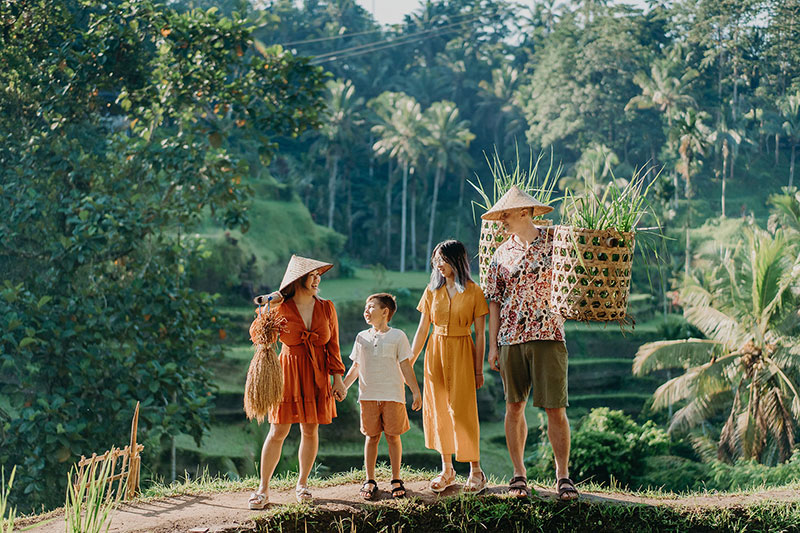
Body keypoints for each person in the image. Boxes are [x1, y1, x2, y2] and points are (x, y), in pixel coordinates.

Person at [482, 185, 579, 501]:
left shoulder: (555, 242)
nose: (502, 222)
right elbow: (494, 300)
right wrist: (493, 345)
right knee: (513, 407)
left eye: (505, 215)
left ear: (524, 212)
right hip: (511, 337)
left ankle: (562, 475)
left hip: (548, 334)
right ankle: (519, 474)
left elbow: (575, 274)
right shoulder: (501, 253)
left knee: (555, 409)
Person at [247, 255, 347, 509]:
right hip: (287, 372)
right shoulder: (281, 308)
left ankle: (302, 484)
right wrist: (270, 303)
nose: (317, 280)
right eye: (311, 276)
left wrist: (338, 379)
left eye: (318, 275)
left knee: (310, 429)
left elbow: (333, 346)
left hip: (318, 373)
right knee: (278, 430)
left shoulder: (326, 307)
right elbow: (258, 335)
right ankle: (263, 489)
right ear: (297, 280)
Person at [411, 240, 489, 494]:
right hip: (435, 351)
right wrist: (410, 360)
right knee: (439, 409)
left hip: (463, 350)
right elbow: (423, 329)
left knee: (463, 411)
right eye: (436, 261)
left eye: (442, 260)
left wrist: (478, 370)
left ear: (457, 260)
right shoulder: (432, 291)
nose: (438, 265)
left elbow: (481, 334)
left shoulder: (475, 292)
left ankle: (476, 471)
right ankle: (447, 469)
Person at [342, 293, 422, 500]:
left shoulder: (398, 336)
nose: (366, 311)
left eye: (370, 307)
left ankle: (396, 479)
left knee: (393, 437)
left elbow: (405, 365)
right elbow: (356, 367)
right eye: (365, 308)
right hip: (368, 395)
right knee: (371, 437)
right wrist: (342, 387)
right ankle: (370, 480)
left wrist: (415, 390)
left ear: (385, 312)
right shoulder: (361, 337)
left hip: (393, 395)